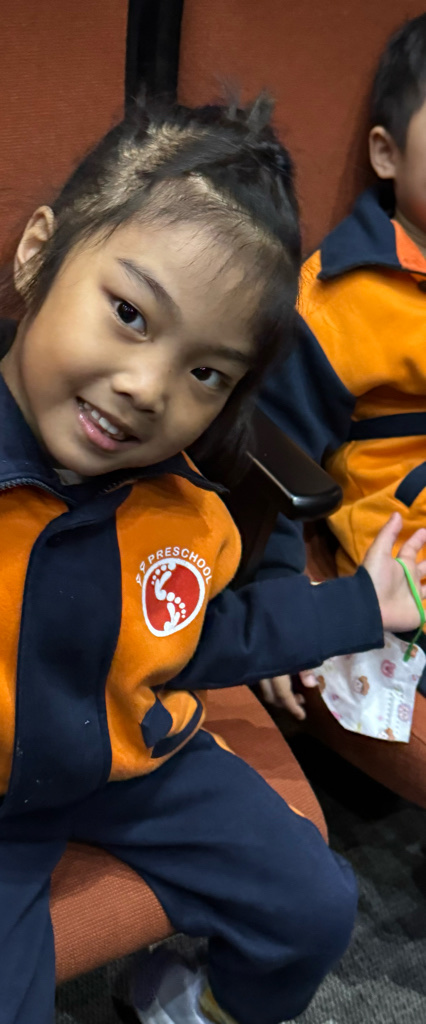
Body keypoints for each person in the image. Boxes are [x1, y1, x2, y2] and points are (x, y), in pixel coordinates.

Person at [0, 97, 424, 1024]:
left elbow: (201, 636)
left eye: (206, 373)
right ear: (38, 253)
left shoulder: (182, 508)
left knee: (314, 905)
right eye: (129, 314)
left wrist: (357, 608)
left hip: (126, 759)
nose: (147, 388)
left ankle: (185, 1005)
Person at [257, 12, 426, 723]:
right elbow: (269, 456)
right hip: (410, 564)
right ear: (387, 154)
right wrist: (278, 600)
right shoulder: (337, 300)